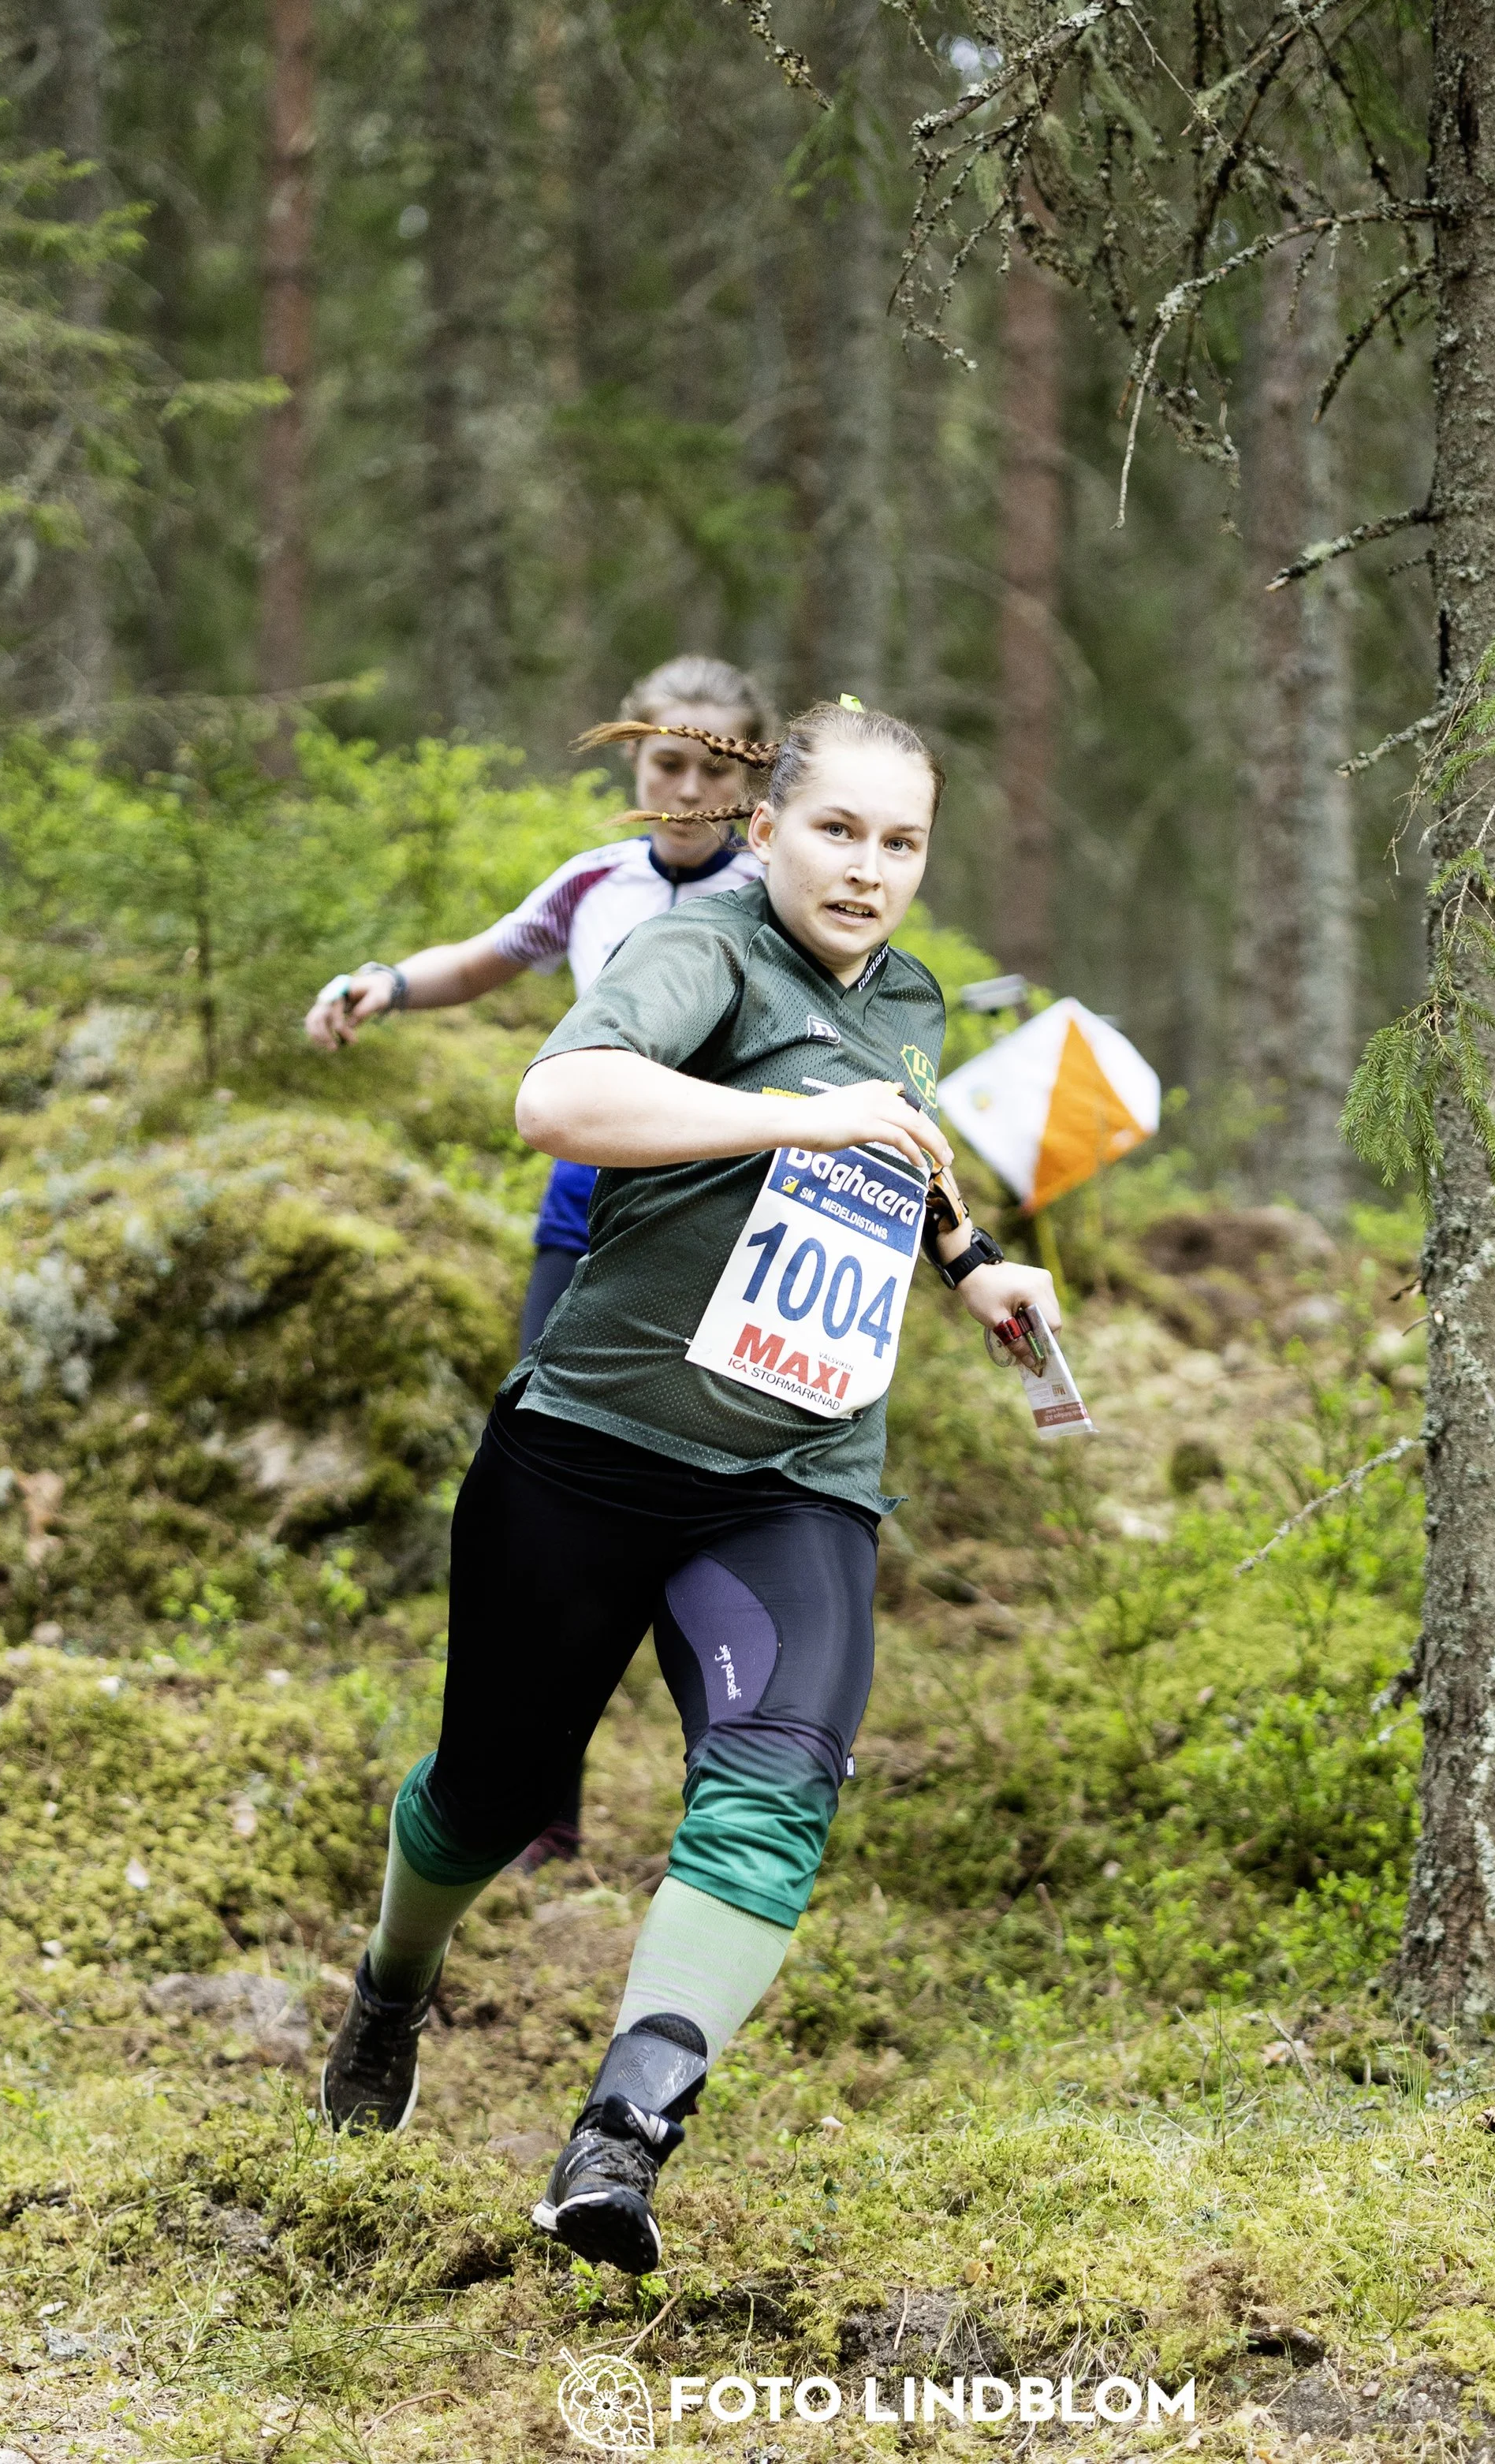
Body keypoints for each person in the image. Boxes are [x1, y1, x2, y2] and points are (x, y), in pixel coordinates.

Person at [317, 697, 1061, 2278]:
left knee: (776, 1783)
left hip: (793, 1473)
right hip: (587, 1449)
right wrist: (801, 1109)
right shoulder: (703, 949)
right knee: (489, 1793)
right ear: (769, 826)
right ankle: (392, 1981)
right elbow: (556, 1100)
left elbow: (890, 1135)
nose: (868, 868)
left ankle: (621, 2134)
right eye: (840, 831)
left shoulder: (910, 991)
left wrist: (973, 1261)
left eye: (902, 840)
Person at [303, 655, 773, 1355]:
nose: (690, 790)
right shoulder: (592, 881)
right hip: (587, 1178)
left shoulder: (772, 895)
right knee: (536, 1403)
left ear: (748, 774)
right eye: (669, 763)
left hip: (719, 1194)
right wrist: (389, 983)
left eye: (715, 769)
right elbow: (475, 963)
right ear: (636, 756)